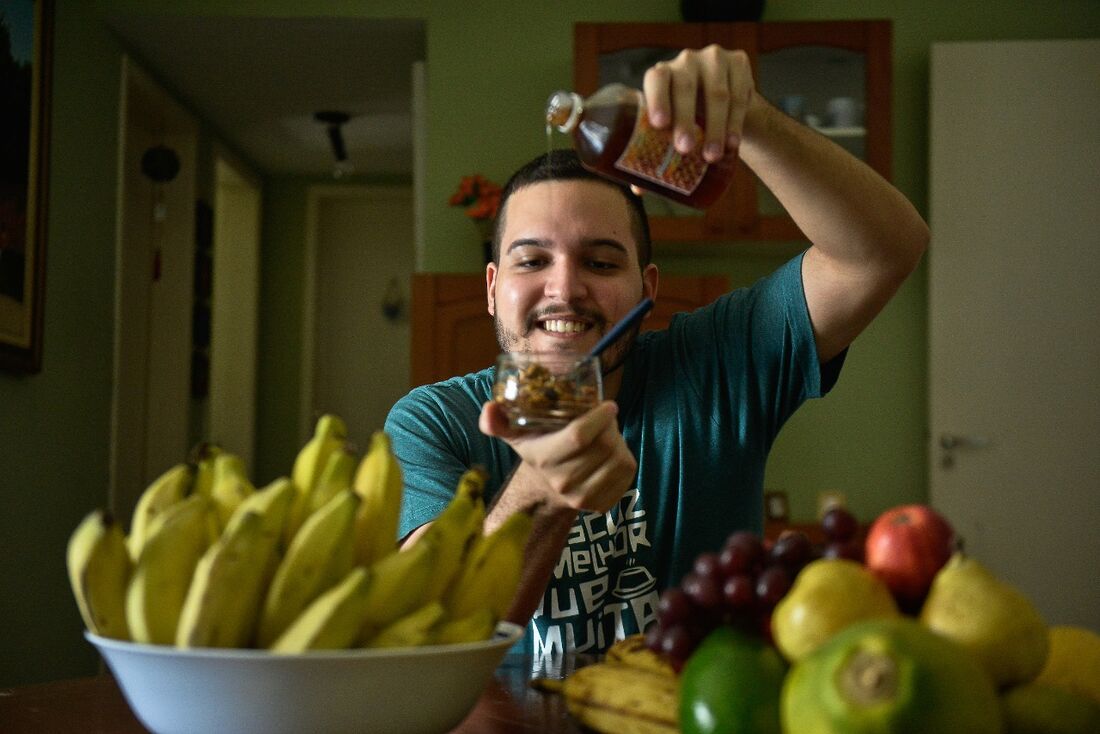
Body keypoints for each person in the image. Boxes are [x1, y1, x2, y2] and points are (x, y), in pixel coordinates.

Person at [387, 46, 928, 659]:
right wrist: (544, 489)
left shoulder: (718, 363)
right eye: (532, 260)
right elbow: (434, 631)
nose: (563, 288)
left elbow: (884, 250)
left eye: (599, 261)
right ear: (491, 289)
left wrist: (749, 119)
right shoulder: (431, 422)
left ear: (647, 289)